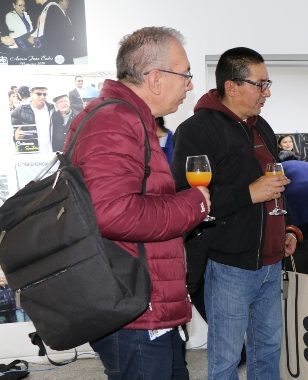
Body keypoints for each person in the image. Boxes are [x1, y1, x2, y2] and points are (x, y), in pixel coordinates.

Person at [63, 26, 211, 380]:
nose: (190, 85)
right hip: (134, 310)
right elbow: (111, 212)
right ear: (156, 78)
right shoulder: (115, 122)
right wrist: (194, 204)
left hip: (145, 304)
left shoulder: (125, 119)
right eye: (186, 74)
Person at [171, 46, 296, 380]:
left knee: (268, 349)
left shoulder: (261, 126)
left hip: (270, 262)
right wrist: (248, 193)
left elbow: (277, 186)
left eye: (268, 83)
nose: (267, 92)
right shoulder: (197, 130)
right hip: (230, 265)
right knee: (226, 357)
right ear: (232, 86)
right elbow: (187, 198)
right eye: (260, 84)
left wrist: (289, 230)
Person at [11, 85, 55, 153]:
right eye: (39, 94)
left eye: (45, 94)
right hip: (30, 153)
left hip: (49, 152)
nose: (42, 97)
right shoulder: (20, 110)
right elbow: (12, 128)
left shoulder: (52, 108)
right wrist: (15, 134)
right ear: (31, 94)